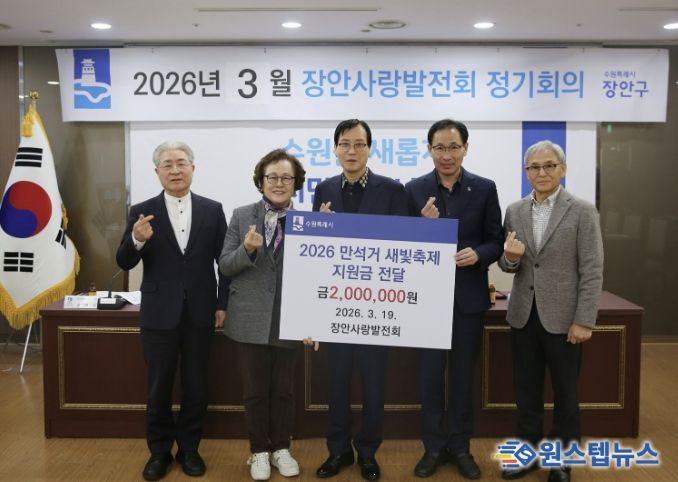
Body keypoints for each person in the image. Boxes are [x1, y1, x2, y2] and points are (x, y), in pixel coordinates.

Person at [116, 141, 228, 481]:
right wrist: (137, 239)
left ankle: (190, 449)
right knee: (158, 386)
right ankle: (160, 451)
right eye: (168, 164)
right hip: (158, 313)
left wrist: (222, 304)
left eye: (181, 163)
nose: (175, 170)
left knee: (196, 386)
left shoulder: (213, 209)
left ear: (193, 168)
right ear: (157, 172)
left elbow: (224, 263)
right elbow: (124, 260)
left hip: (200, 312)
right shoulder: (141, 211)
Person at [304, 119, 407, 481]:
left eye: (359, 144)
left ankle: (367, 452)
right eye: (345, 144)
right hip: (337, 307)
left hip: (376, 308)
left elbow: (403, 244)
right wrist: (319, 225)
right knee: (336, 384)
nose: (352, 151)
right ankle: (338, 451)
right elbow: (316, 252)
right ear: (335, 149)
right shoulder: (324, 189)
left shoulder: (392, 189)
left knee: (374, 386)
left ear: (369, 148)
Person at [498, 140, 603, 482]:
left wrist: (584, 320)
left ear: (563, 169)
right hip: (523, 316)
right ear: (526, 172)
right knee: (526, 392)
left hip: (564, 319)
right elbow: (508, 264)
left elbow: (592, 269)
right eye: (534, 167)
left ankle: (561, 461)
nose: (541, 172)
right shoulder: (515, 210)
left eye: (549, 165)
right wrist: (509, 258)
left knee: (566, 395)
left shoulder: (582, 211)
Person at [405, 119, 503, 479]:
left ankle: (461, 447)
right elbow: (400, 244)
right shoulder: (413, 189)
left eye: (453, 147)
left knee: (462, 378)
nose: (447, 155)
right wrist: (422, 227)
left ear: (465, 148)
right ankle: (433, 447)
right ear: (429, 149)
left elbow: (496, 240)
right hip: (426, 302)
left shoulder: (485, 188)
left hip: (468, 300)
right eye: (440, 148)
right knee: (430, 378)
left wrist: (479, 254)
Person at [218, 149, 306, 481]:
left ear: (296, 183)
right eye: (272, 177)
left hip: (289, 318)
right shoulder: (242, 215)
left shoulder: (309, 222)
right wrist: (248, 249)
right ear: (261, 181)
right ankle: (258, 451)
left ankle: (281, 448)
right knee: (255, 391)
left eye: (286, 177)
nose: (279, 183)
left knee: (284, 391)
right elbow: (225, 265)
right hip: (249, 318)